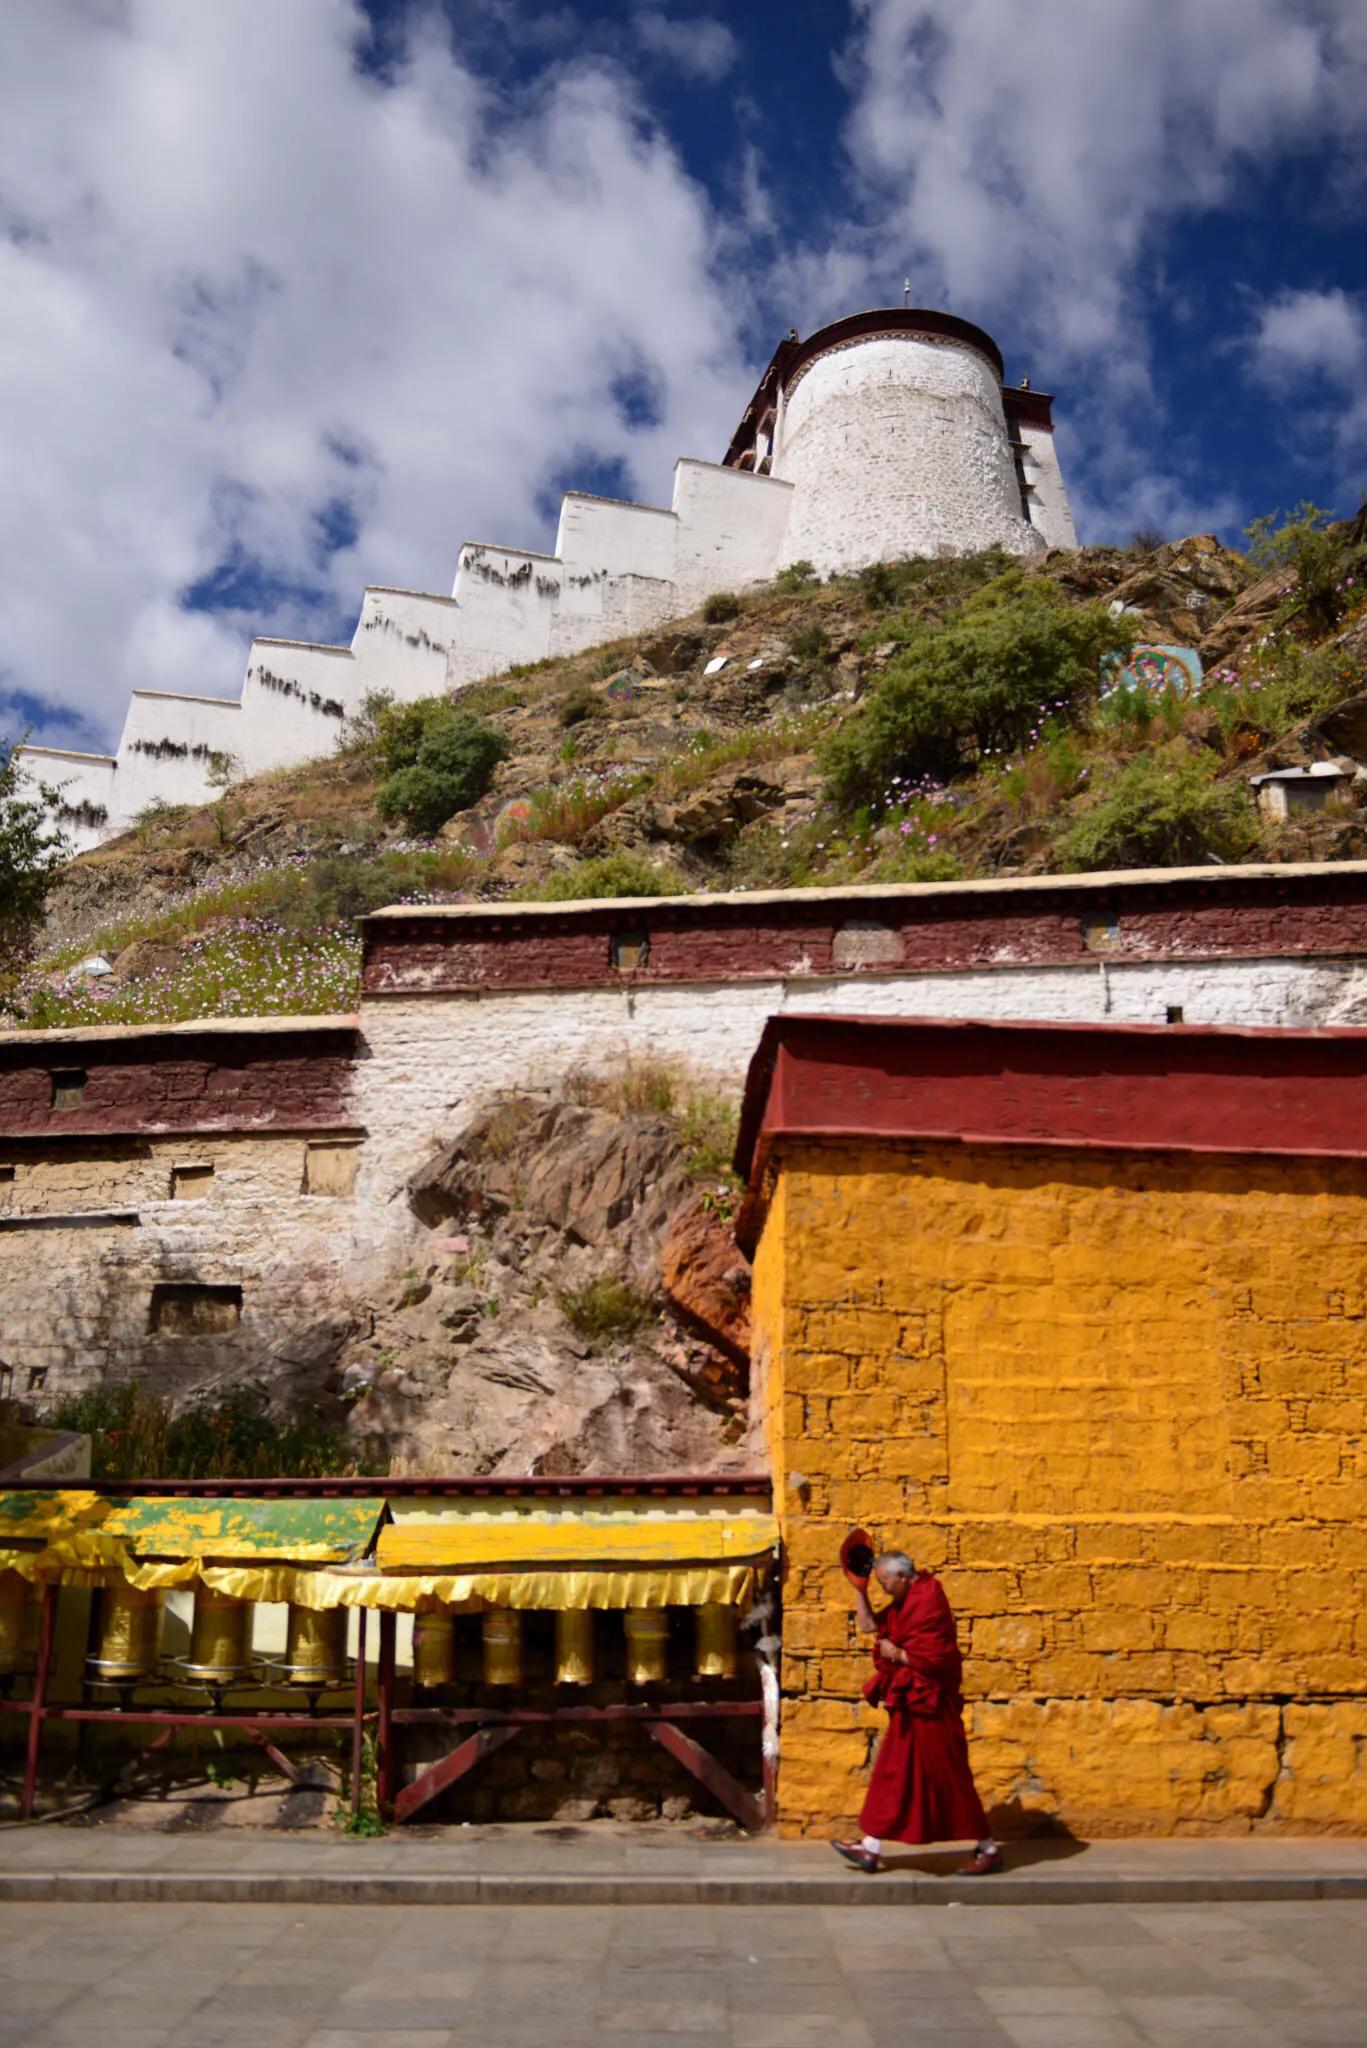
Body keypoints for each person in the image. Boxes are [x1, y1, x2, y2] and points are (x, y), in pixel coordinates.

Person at [832, 1545, 1002, 1875]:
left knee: (949, 1776)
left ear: (902, 1575)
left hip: (933, 1706)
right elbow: (868, 1626)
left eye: (883, 1580)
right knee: (893, 1773)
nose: (881, 1585)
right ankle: (870, 1846)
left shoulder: (928, 1599)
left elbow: (938, 1657)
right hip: (913, 1705)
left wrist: (896, 1655)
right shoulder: (903, 1603)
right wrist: (859, 1589)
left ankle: (989, 1848)